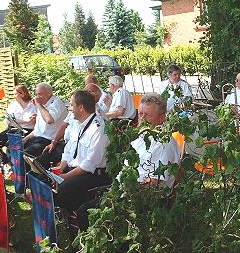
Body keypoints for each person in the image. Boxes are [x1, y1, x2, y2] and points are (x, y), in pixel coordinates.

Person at [76, 93, 181, 231]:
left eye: (148, 115)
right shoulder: (143, 136)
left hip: (144, 199)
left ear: (162, 118)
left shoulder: (164, 143)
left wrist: (123, 192)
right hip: (126, 192)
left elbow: (156, 181)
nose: (142, 118)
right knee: (84, 201)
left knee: (85, 212)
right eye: (141, 113)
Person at [54, 90, 110, 215]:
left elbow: (90, 163)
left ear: (81, 107)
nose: (69, 108)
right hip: (76, 170)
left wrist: (65, 177)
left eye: (71, 105)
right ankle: (60, 217)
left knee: (64, 189)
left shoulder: (99, 129)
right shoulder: (77, 124)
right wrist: (61, 167)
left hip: (94, 175)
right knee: (45, 180)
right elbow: (69, 149)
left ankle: (70, 220)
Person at [0, 85, 36, 164]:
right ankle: (6, 162)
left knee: (10, 146)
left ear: (22, 94)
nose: (14, 96)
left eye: (15, 94)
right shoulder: (13, 105)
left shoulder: (33, 105)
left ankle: (13, 166)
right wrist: (25, 121)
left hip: (27, 131)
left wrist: (31, 120)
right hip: (13, 128)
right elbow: (8, 121)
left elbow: (37, 122)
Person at [23, 83, 68, 167]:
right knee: (14, 148)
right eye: (36, 94)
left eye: (40, 94)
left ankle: (28, 177)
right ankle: (17, 175)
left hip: (49, 140)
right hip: (38, 138)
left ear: (49, 93)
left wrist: (39, 105)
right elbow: (38, 130)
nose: (37, 97)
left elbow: (49, 120)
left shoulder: (56, 104)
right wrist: (26, 138)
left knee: (25, 155)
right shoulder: (43, 105)